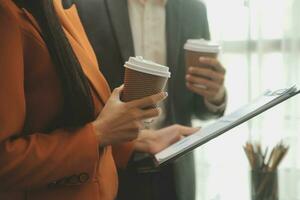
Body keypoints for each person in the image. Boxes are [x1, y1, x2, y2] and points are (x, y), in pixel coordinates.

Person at [0, 0, 198, 199]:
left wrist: (140, 140)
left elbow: (72, 116)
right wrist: (98, 134)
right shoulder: (8, 15)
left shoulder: (57, 7)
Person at [75, 0, 227, 200]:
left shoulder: (194, 9)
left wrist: (214, 94)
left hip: (174, 172)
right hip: (109, 165)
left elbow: (198, 107)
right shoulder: (84, 5)